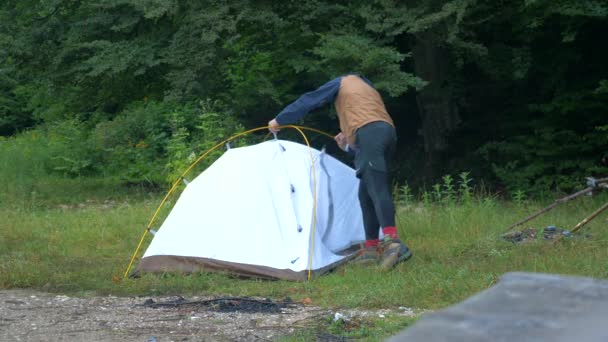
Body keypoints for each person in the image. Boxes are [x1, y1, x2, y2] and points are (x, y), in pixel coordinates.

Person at [268, 73, 412, 269]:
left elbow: (310, 100)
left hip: (369, 132)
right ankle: (371, 249)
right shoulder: (368, 89)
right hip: (386, 133)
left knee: (376, 189)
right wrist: (346, 146)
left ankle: (393, 243)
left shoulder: (342, 82)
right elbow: (366, 150)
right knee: (365, 194)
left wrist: (280, 120)